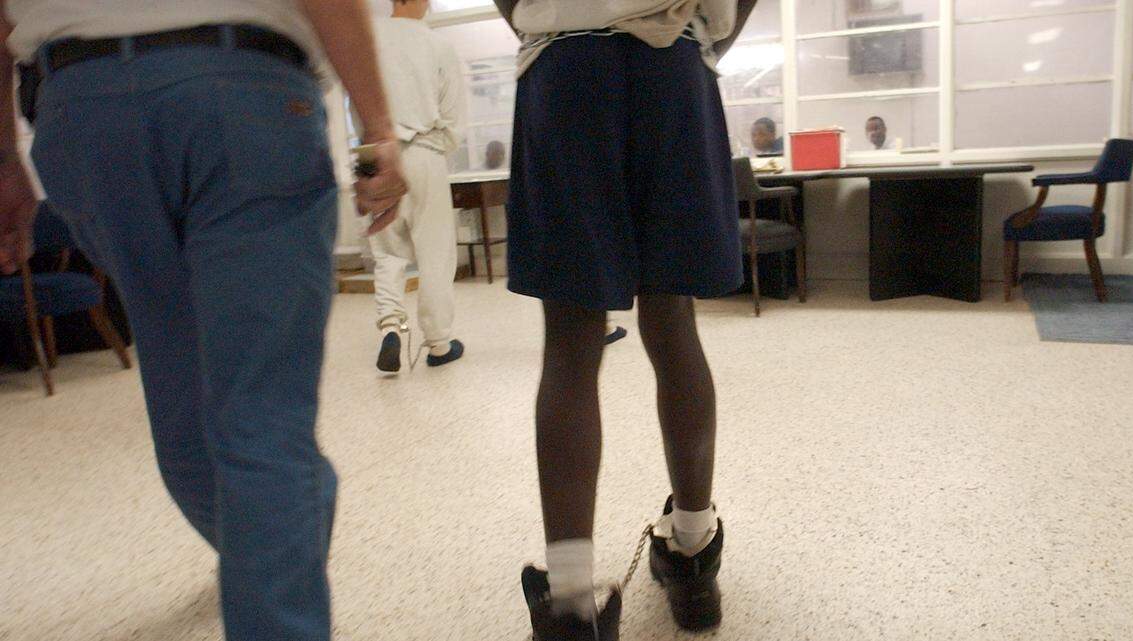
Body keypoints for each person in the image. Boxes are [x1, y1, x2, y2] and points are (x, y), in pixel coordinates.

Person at [0, 2, 407, 640]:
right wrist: (379, 125)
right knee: (261, 425)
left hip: (83, 107)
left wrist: (3, 155)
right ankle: (270, 546)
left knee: (184, 401)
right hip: (244, 93)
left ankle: (263, 544)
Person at [494, 1, 756, 639]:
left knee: (571, 344)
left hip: (565, 66)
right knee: (673, 324)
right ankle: (693, 553)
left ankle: (569, 603)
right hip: (674, 68)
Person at [367, 0, 467, 373]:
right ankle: (439, 344)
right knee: (434, 253)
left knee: (387, 251)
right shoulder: (438, 46)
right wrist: (429, 147)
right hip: (424, 151)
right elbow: (454, 120)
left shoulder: (370, 39)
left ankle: (391, 326)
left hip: (375, 153)